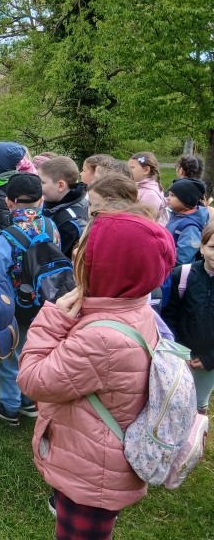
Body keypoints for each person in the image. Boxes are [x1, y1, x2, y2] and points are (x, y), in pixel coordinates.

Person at [17, 210, 175, 540]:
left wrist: (53, 318)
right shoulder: (136, 304)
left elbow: (33, 379)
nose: (74, 251)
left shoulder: (102, 338)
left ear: (106, 267)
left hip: (92, 472)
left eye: (85, 250)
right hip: (101, 455)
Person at [0, 173, 60, 425]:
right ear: (41, 200)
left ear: (9, 203)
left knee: (10, 356)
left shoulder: (8, 236)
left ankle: (9, 406)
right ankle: (28, 400)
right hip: (47, 305)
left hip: (17, 309)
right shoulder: (51, 227)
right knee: (33, 352)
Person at [163, 222, 214, 414]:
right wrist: (179, 353)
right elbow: (169, 316)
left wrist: (210, 359)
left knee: (199, 403)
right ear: (201, 247)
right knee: (174, 401)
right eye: (212, 247)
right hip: (179, 354)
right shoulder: (182, 275)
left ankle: (196, 441)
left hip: (210, 361)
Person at [39, 156, 89, 257]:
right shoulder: (54, 203)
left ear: (61, 185)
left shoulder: (69, 225)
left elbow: (52, 259)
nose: (38, 186)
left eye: (42, 182)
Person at [166, 178, 209, 265]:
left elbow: (182, 258)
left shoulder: (190, 227)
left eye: (172, 195)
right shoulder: (177, 215)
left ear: (185, 199)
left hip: (175, 272)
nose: (168, 198)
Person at [128, 151, 168, 225]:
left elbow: (145, 223)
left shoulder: (150, 195)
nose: (128, 170)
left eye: (132, 168)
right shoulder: (137, 187)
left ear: (146, 170)